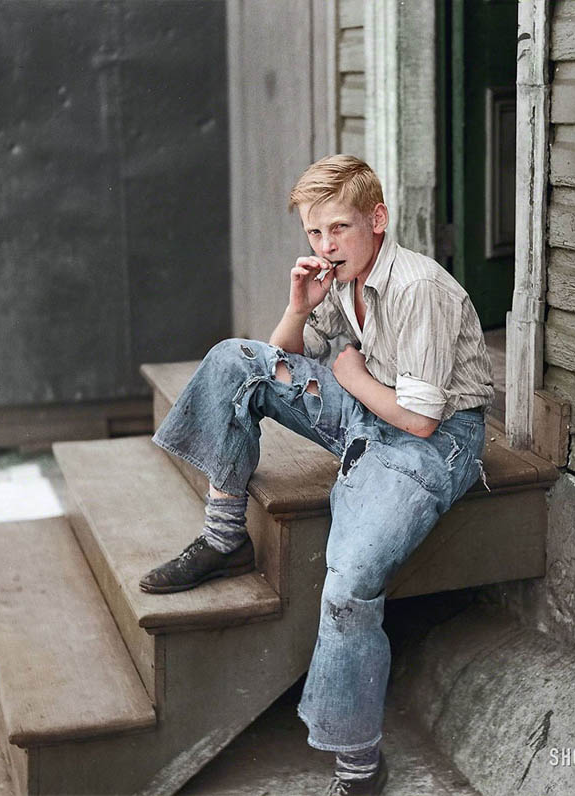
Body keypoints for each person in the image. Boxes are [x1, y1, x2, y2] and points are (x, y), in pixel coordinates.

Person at [140, 155, 494, 795]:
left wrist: (350, 376)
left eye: (339, 229)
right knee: (236, 360)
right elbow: (283, 357)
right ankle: (225, 537)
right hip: (370, 406)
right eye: (314, 234)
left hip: (436, 440)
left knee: (348, 589)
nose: (326, 246)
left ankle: (358, 767)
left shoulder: (419, 288)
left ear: (377, 220)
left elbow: (419, 421)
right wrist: (300, 307)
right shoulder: (342, 276)